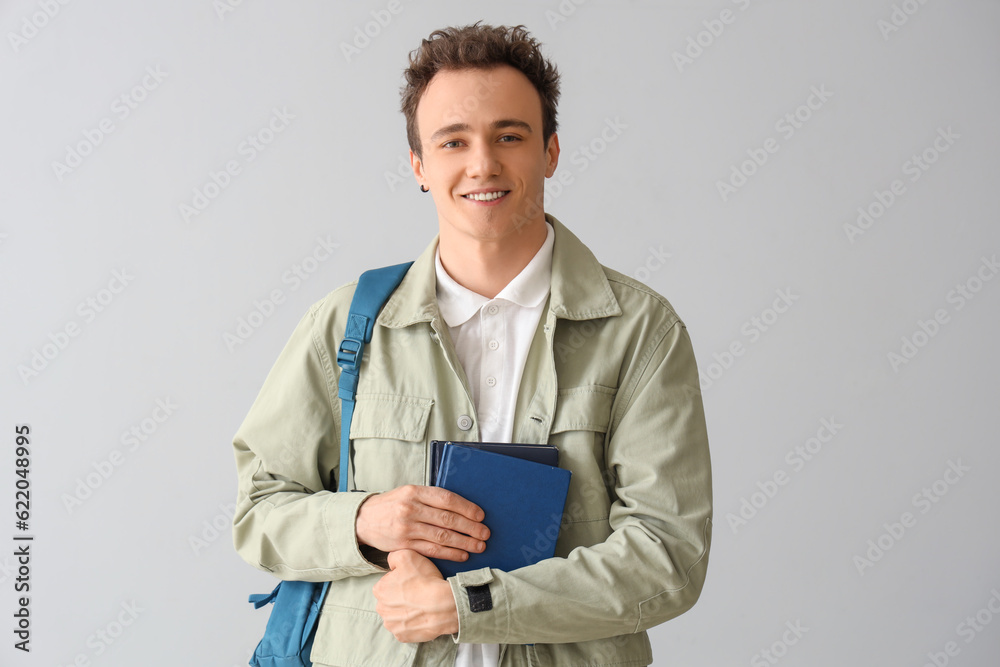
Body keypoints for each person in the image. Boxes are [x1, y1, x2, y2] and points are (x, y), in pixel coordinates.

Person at [232, 21, 712, 667]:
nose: (482, 163)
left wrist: (470, 606)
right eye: (453, 141)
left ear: (551, 152)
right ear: (420, 166)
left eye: (508, 136)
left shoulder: (639, 331)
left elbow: (668, 555)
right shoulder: (346, 326)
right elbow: (259, 508)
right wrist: (366, 521)